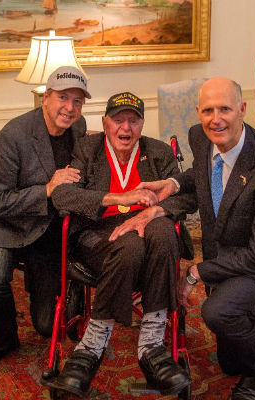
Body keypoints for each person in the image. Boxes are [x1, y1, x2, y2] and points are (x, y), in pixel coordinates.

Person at [138, 77, 255, 400]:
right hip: (227, 247)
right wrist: (172, 184)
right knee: (228, 362)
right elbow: (202, 172)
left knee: (217, 312)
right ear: (198, 112)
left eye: (225, 109)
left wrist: (195, 272)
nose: (216, 119)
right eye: (209, 110)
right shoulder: (200, 137)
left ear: (242, 110)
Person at [46, 92, 195, 397]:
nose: (125, 128)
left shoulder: (159, 152)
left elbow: (188, 196)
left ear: (142, 124)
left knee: (166, 233)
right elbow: (63, 195)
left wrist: (156, 210)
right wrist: (118, 198)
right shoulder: (87, 149)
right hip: (97, 233)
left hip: (152, 230)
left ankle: (150, 345)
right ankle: (94, 344)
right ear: (105, 123)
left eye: (133, 120)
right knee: (131, 246)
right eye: (118, 120)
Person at [0, 66, 90, 373]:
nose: (70, 108)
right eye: (63, 98)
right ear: (45, 98)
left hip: (47, 227)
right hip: (6, 223)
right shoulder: (12, 136)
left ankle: (64, 294)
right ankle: (2, 341)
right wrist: (46, 189)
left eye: (77, 101)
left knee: (49, 327)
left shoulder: (79, 127)